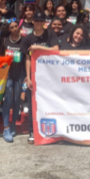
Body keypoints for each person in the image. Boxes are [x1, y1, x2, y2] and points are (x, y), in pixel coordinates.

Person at [23, 12, 59, 144]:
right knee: (33, 103)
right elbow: (27, 59)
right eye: (36, 20)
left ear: (45, 22)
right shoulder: (27, 39)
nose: (38, 23)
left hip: (49, 76)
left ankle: (52, 130)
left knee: (50, 102)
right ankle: (32, 130)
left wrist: (38, 47)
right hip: (34, 76)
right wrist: (28, 77)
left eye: (41, 20)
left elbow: (55, 49)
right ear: (32, 21)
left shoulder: (50, 34)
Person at [0, 20, 26, 143]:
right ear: (9, 29)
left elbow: (27, 58)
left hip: (20, 73)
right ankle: (6, 128)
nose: (15, 28)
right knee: (8, 98)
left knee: (16, 99)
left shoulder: (24, 40)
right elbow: (0, 57)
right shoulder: (5, 40)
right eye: (12, 27)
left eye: (16, 26)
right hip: (8, 73)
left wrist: (27, 75)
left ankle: (13, 124)